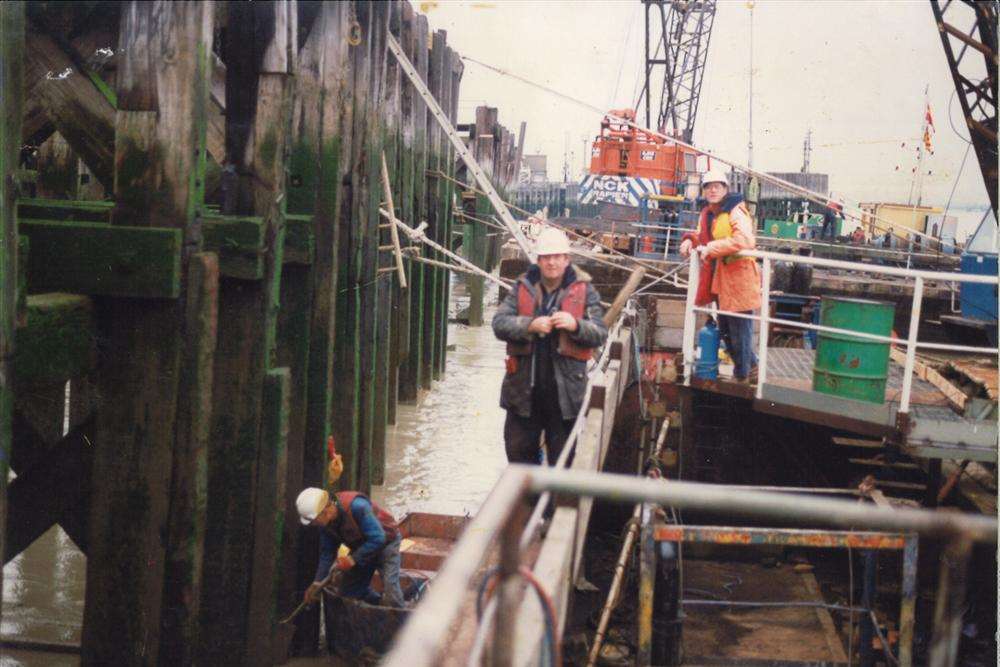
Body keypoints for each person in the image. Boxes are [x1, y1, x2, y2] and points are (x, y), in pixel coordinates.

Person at [492, 227, 607, 466]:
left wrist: (575, 325)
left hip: (564, 400)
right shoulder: (521, 287)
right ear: (539, 260)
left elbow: (599, 334)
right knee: (518, 456)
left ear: (567, 259)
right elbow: (499, 324)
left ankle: (554, 503)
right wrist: (529, 325)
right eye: (546, 257)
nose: (551, 262)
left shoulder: (586, 292)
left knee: (563, 463)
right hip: (524, 396)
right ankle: (529, 502)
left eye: (557, 257)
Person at [680, 169, 761, 382]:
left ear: (726, 189)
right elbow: (702, 235)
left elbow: (745, 240)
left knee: (740, 330)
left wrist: (713, 248)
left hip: (739, 279)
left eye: (718, 186)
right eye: (708, 186)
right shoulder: (708, 213)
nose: (713, 189)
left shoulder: (736, 210)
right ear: (704, 191)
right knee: (726, 329)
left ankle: (742, 375)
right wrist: (690, 240)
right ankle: (751, 368)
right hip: (720, 279)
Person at [297, 486, 404, 608]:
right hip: (362, 547)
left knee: (391, 589)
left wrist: (353, 559)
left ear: (325, 511)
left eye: (315, 521)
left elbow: (379, 538)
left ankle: (399, 618)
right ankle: (377, 603)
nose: (315, 524)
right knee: (349, 592)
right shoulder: (325, 525)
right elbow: (327, 554)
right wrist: (317, 582)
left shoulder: (358, 507)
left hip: (386, 543)